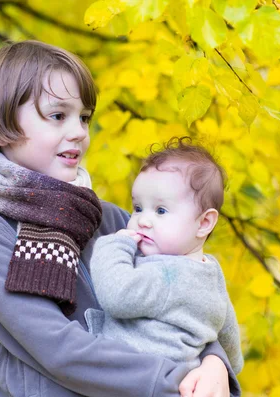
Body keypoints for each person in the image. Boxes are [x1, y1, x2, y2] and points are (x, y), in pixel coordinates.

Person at [0, 40, 241, 397]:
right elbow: (57, 349)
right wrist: (176, 381)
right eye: (58, 115)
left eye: (84, 117)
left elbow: (182, 302)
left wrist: (214, 363)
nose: (78, 132)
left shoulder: (114, 221)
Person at [88, 137, 243, 375]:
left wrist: (113, 245)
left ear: (204, 223)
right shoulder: (211, 273)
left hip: (135, 381)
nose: (143, 220)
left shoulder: (168, 275)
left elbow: (117, 294)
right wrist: (224, 367)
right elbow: (229, 335)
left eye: (161, 210)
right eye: (138, 208)